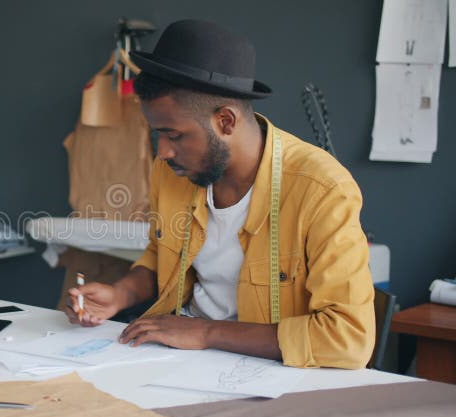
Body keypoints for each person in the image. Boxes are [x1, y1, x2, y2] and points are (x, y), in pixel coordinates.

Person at [64, 19, 375, 369]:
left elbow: (349, 338)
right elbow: (161, 256)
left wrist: (206, 332)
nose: (163, 151)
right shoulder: (172, 172)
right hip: (180, 357)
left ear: (225, 122)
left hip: (269, 370)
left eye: (174, 135)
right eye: (157, 135)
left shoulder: (321, 189)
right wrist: (118, 294)